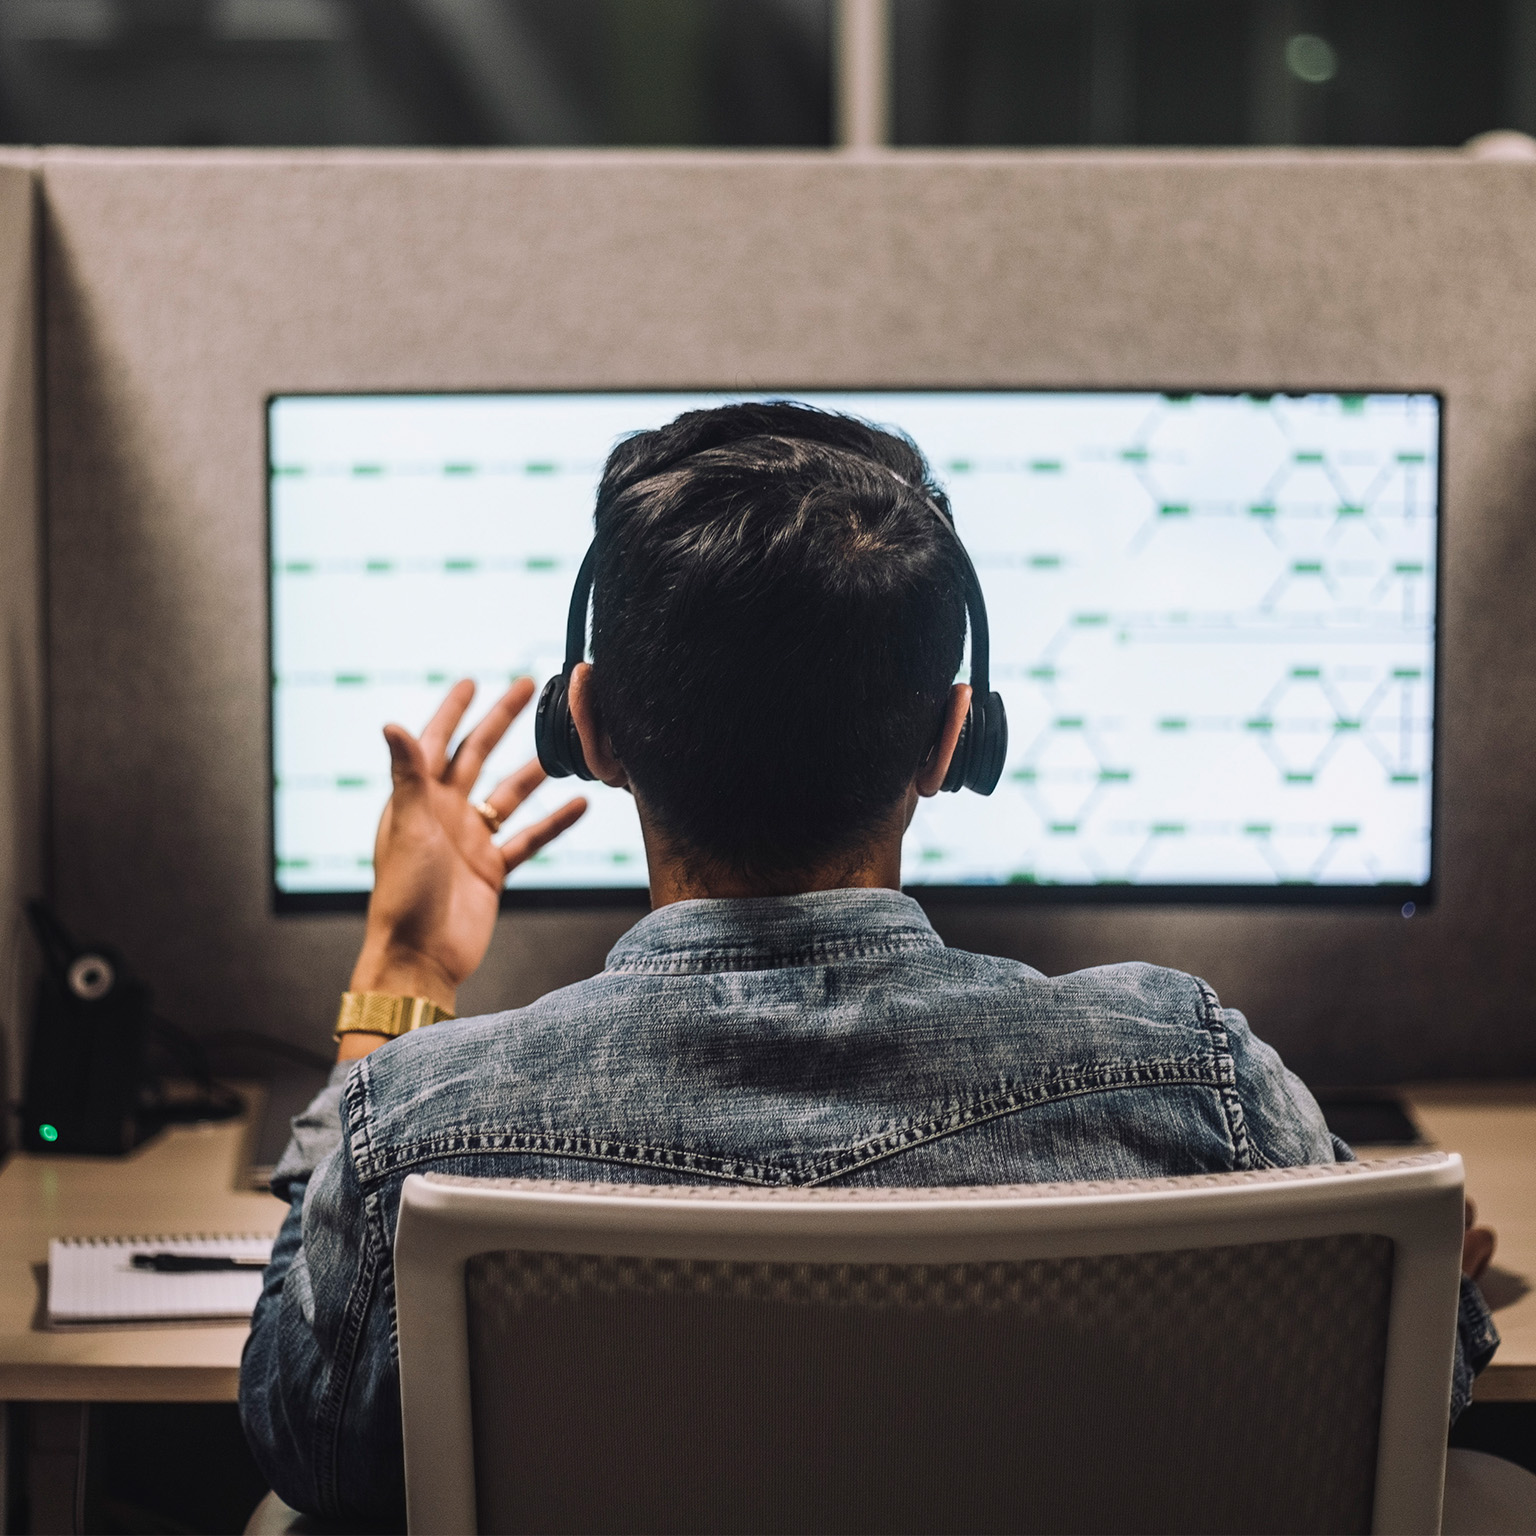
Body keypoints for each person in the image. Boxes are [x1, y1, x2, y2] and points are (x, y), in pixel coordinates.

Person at [240, 402, 1498, 1529]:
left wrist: (402, 966)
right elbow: (1412, 1376)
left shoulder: (424, 1123)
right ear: (956, 736)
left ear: (592, 725)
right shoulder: (1193, 1075)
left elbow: (313, 1438)